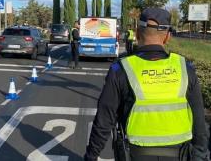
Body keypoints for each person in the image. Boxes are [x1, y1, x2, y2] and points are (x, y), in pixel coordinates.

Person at [85, 8, 209, 161]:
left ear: (137, 34)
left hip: (135, 155)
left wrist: (91, 156)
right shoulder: (185, 68)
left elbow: (104, 120)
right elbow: (199, 123)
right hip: (181, 155)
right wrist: (201, 155)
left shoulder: (121, 69)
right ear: (167, 37)